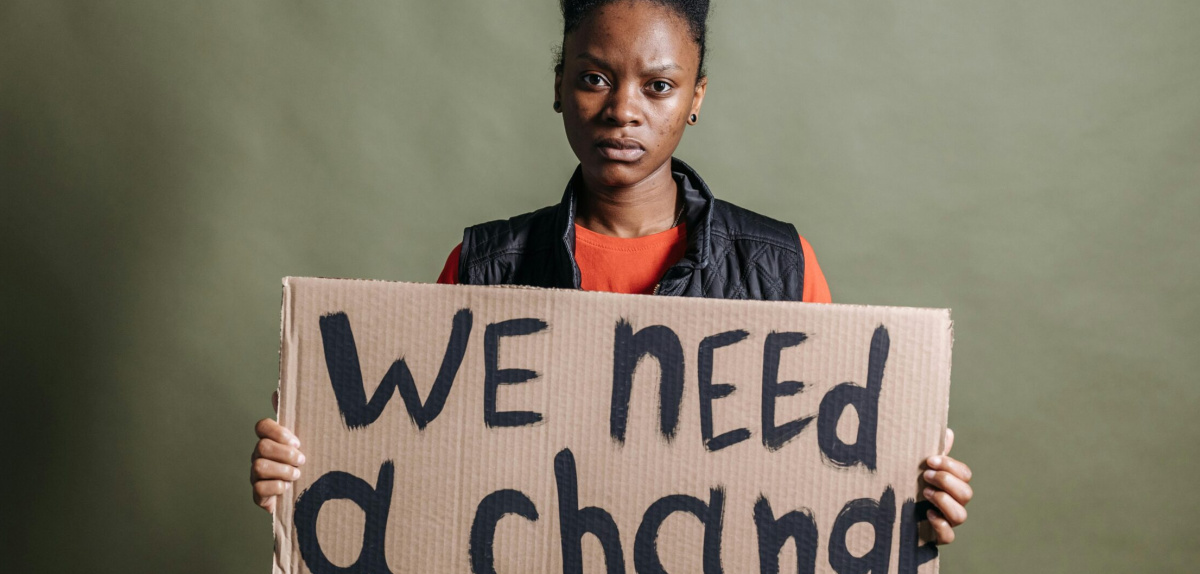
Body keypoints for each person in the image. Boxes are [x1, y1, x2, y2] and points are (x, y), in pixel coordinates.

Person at [250, 0, 973, 544]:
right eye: (595, 77)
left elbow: (822, 482)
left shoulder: (780, 269)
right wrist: (311, 466)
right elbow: (425, 471)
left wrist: (909, 507)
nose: (622, 110)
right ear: (559, 84)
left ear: (696, 98)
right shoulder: (484, 269)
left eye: (658, 86)